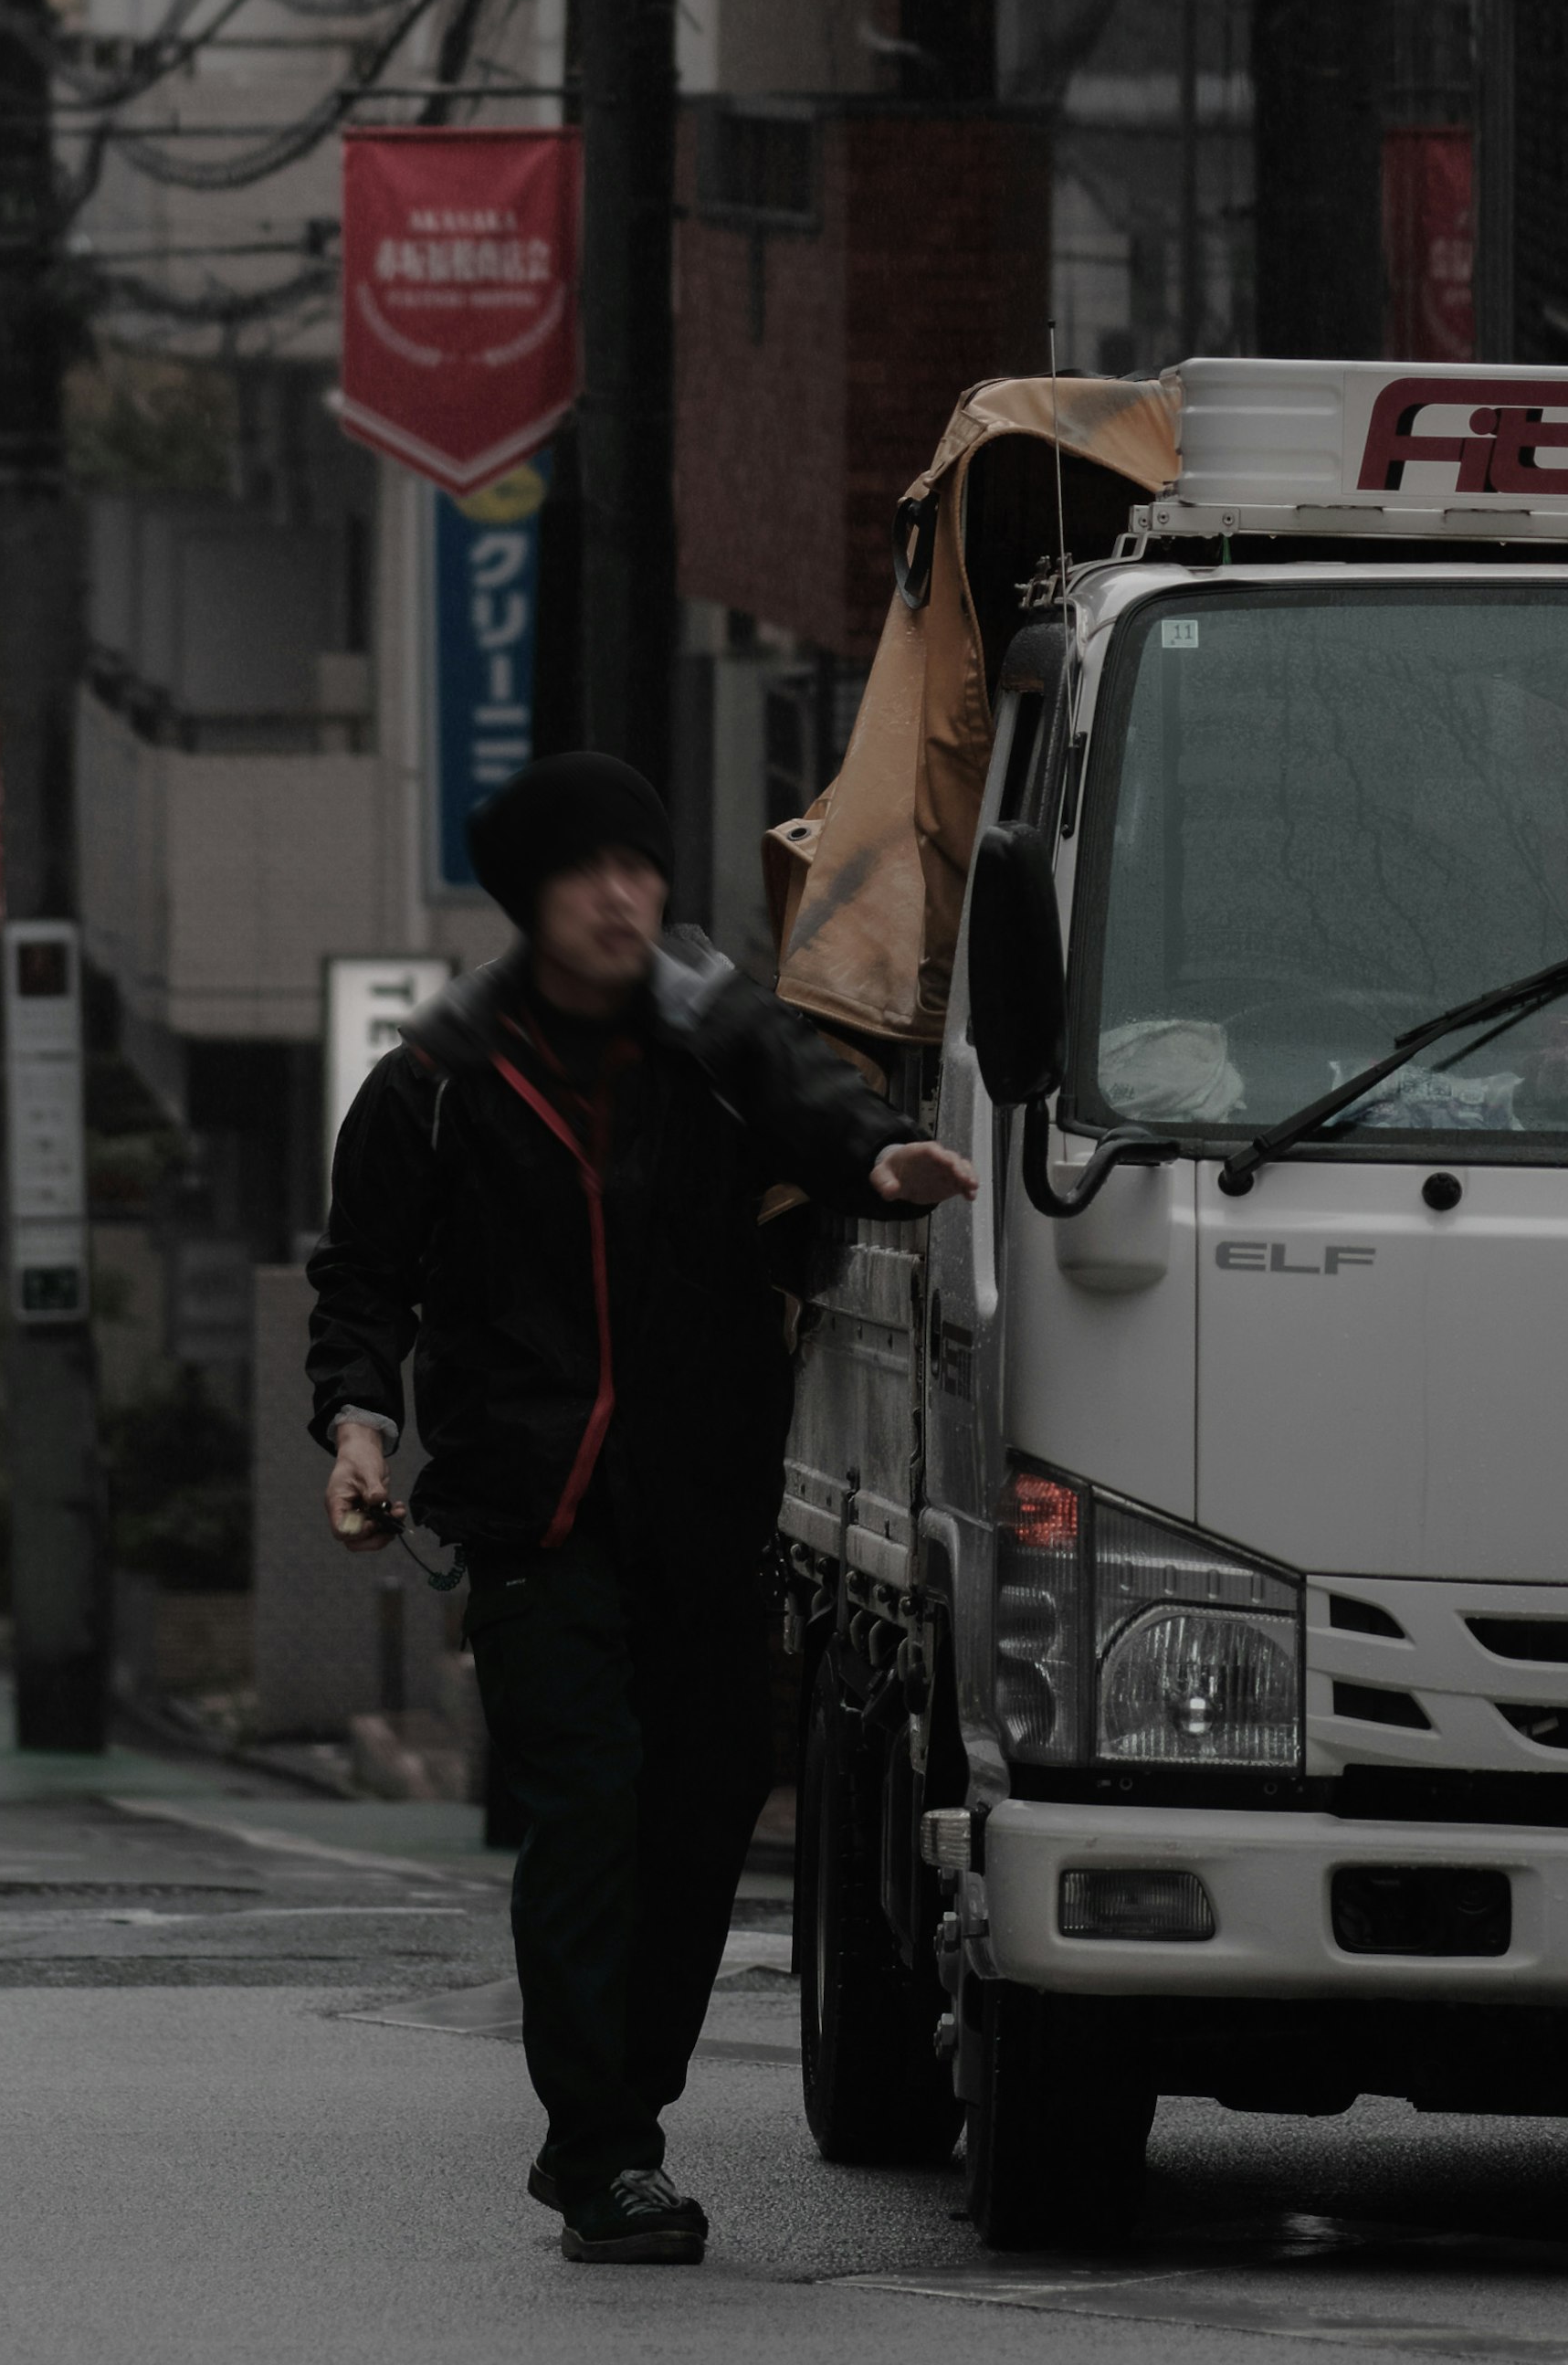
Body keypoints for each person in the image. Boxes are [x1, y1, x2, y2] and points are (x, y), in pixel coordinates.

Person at [311, 746, 974, 2269]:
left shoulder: (712, 1042)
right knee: (589, 1809)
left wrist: (884, 1158)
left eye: (639, 869)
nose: (622, 898)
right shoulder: (434, 1085)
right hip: (533, 1515)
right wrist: (358, 1434)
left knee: (701, 1810)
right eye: (585, 874)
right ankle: (603, 2154)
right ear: (532, 903)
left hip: (701, 1502)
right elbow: (362, 1291)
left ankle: (624, 2113)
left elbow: (815, 1107)